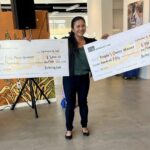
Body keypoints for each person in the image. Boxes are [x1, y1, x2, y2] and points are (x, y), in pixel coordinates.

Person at [63, 16, 96, 140]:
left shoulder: (91, 41)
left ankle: (84, 125)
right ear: (72, 28)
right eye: (78, 26)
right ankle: (69, 129)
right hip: (69, 79)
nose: (81, 28)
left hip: (83, 78)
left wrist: (105, 40)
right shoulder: (65, 42)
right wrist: (30, 41)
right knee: (70, 104)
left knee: (83, 102)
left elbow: (104, 48)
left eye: (83, 25)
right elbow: (49, 46)